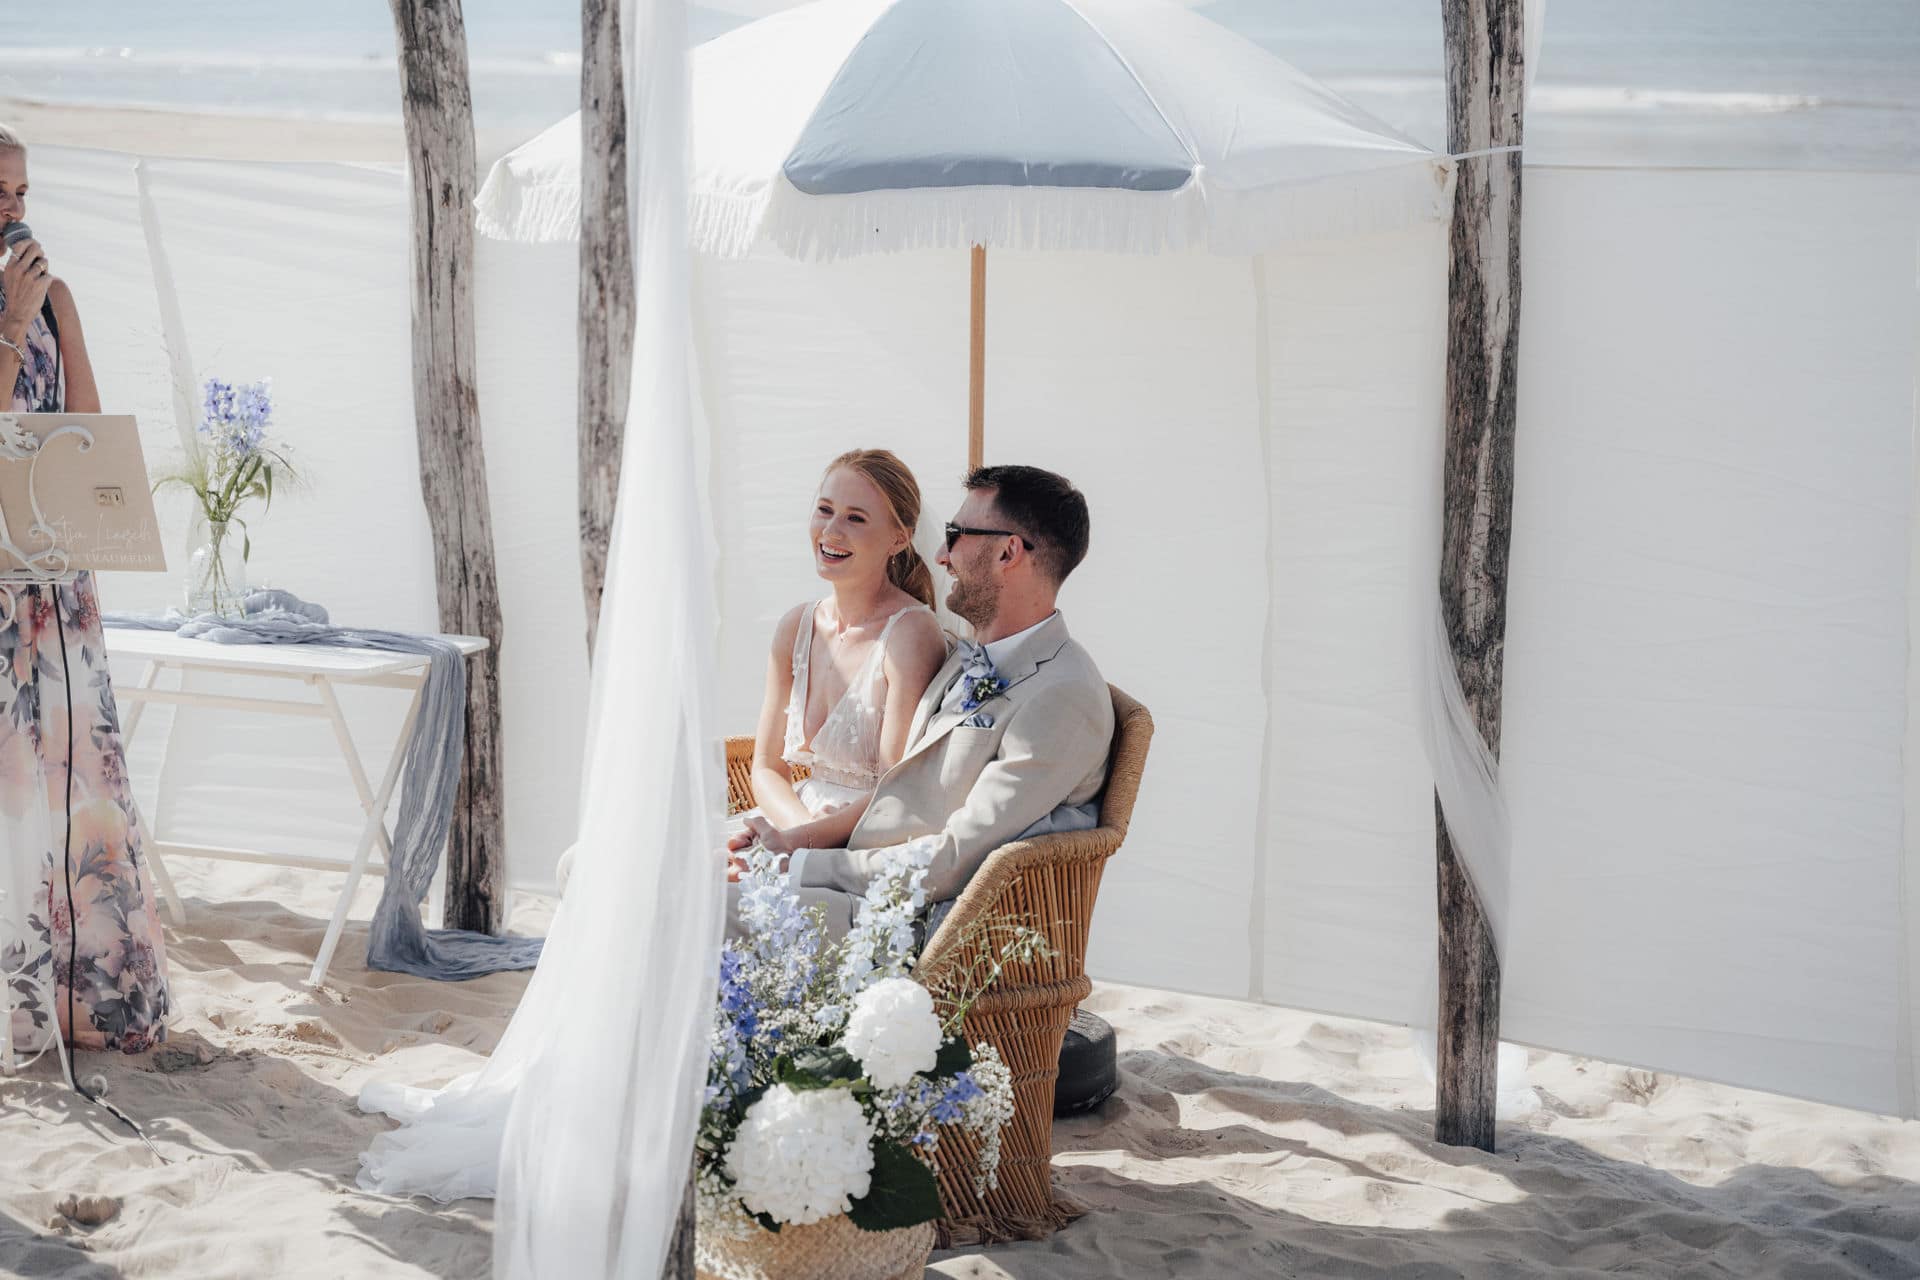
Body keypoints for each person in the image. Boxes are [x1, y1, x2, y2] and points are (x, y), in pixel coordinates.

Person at [729, 464, 1113, 939]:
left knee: (700, 904)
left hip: (897, 917)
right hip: (850, 868)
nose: (939, 555)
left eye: (956, 535)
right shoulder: (970, 656)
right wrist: (792, 842)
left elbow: (953, 859)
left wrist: (798, 862)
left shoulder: (1063, 696)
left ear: (1008, 552)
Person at [0, 124, 170, 1054]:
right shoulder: (20, 309)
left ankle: (85, 995)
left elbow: (88, 431)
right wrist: (8, 327)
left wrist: (42, 315)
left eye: (22, 192)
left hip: (55, 581)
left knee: (76, 780)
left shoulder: (57, 296)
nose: (14, 210)